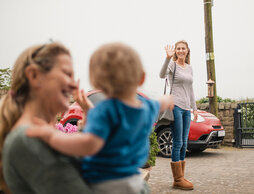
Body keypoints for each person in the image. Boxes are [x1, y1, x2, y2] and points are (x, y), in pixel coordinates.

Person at [26, 42, 174, 194]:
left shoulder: (104, 111)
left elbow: (89, 144)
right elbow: (161, 103)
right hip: (133, 182)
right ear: (141, 78)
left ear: (95, 82)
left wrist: (51, 136)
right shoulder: (147, 108)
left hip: (103, 183)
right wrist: (168, 99)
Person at [0, 42, 93, 194]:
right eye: (67, 74)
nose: (74, 85)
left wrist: (90, 119)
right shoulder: (26, 140)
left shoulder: (36, 135)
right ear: (34, 75)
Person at [159, 40, 197, 190]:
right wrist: (167, 58)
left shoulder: (189, 68)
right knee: (178, 142)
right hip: (175, 106)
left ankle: (180, 177)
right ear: (175, 51)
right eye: (178, 48)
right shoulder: (172, 64)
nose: (181, 50)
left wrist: (194, 108)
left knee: (184, 143)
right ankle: (178, 178)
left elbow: (191, 89)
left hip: (187, 108)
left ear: (187, 51)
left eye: (183, 48)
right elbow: (161, 75)